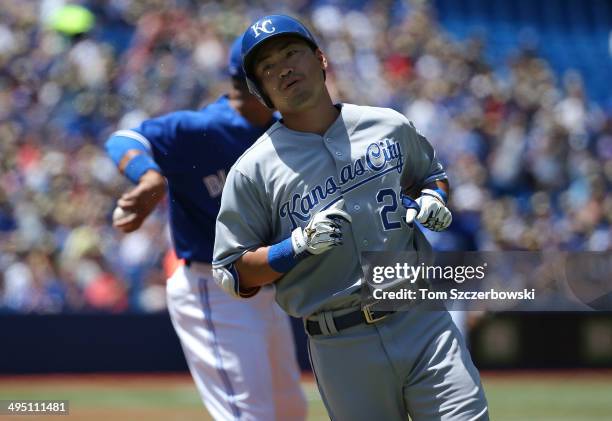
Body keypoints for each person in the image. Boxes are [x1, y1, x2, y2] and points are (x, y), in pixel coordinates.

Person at [213, 15, 489, 420]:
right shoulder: (252, 170)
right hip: (340, 342)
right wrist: (295, 247)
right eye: (268, 67)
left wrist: (433, 198)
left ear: (320, 59)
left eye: (292, 53)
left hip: (421, 319)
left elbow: (432, 175)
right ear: (262, 91)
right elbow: (231, 272)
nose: (284, 68)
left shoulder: (388, 125)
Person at [105, 35, 307, 421]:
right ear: (251, 81)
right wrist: (147, 177)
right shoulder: (203, 128)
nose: (290, 75)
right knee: (250, 415)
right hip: (213, 287)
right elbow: (124, 139)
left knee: (290, 411)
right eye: (275, 69)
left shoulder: (286, 132)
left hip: (267, 288)